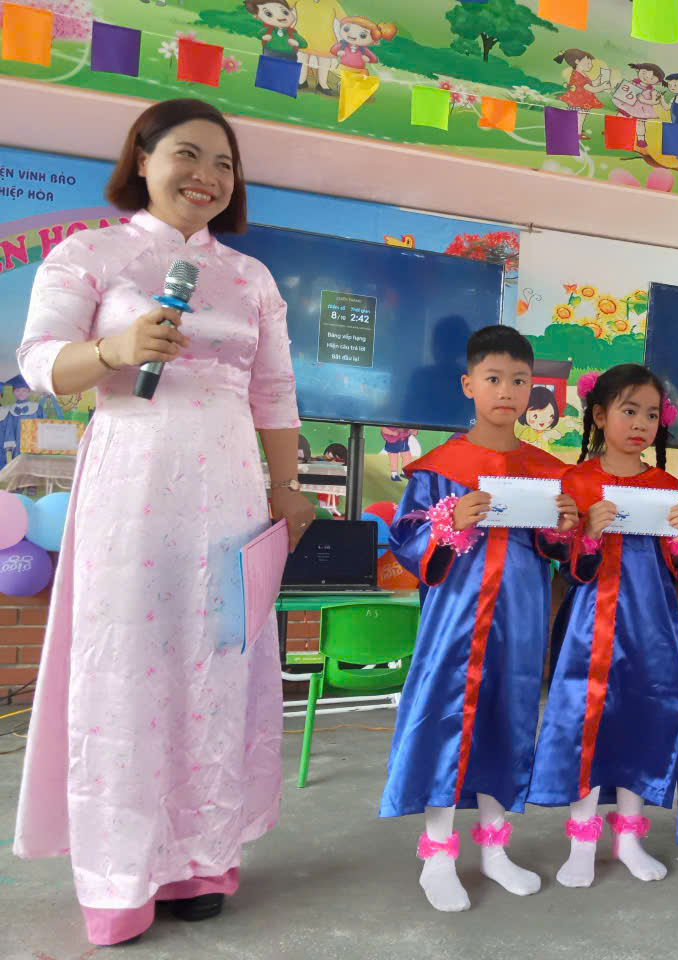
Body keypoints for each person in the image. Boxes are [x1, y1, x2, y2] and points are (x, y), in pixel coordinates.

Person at [12, 97, 312, 947]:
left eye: (225, 164)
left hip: (230, 488)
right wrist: (114, 350)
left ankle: (200, 861)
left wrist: (286, 486)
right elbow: (39, 361)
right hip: (132, 481)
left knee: (217, 664)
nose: (207, 177)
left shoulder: (251, 278)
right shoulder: (90, 253)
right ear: (141, 158)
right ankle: (119, 875)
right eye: (188, 154)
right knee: (126, 669)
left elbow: (275, 393)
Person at [381, 325, 579, 913]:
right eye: (494, 378)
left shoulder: (544, 469)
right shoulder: (439, 467)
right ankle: (438, 858)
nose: (507, 391)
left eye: (519, 380)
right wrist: (448, 521)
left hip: (519, 618)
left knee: (508, 720)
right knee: (445, 720)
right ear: (469, 384)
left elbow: (556, 548)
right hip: (456, 619)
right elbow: (406, 540)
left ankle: (495, 850)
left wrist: (562, 526)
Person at [527, 363, 678, 888]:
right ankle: (582, 842)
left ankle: (629, 839)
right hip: (590, 628)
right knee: (585, 723)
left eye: (651, 414)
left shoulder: (668, 489)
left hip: (653, 628)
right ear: (600, 416)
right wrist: (587, 536)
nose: (641, 423)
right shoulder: (574, 483)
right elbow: (568, 569)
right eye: (629, 411)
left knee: (644, 720)